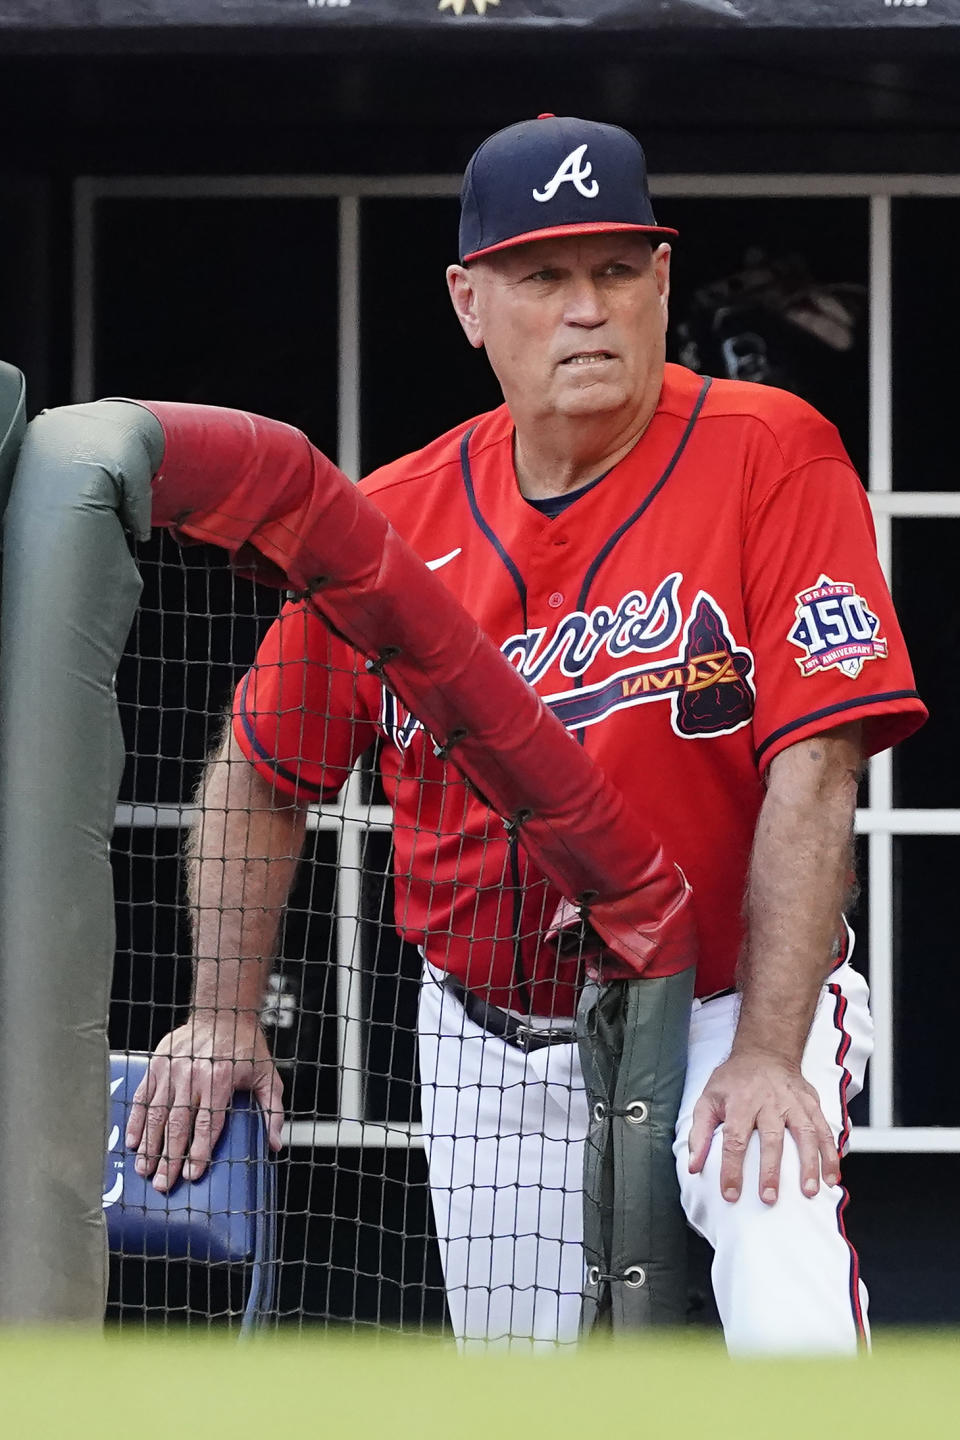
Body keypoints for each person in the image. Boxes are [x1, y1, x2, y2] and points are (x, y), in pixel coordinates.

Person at [126, 114, 927, 1353]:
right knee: (533, 1393)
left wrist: (771, 1049)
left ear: (662, 282)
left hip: (727, 991)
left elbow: (815, 768)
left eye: (616, 270)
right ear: (468, 301)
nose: (587, 310)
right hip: (495, 1033)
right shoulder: (387, 519)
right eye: (544, 275)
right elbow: (260, 776)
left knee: (783, 1279)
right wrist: (227, 1013)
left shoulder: (773, 451)